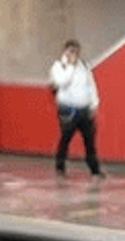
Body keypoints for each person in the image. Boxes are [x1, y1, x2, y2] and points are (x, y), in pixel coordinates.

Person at [48, 40, 102, 179]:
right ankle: (60, 167)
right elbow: (62, 82)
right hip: (68, 110)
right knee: (65, 138)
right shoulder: (58, 66)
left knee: (90, 141)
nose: (74, 54)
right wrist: (70, 66)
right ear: (65, 52)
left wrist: (94, 104)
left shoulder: (84, 66)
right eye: (71, 51)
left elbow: (91, 85)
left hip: (84, 108)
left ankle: (95, 169)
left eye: (76, 52)